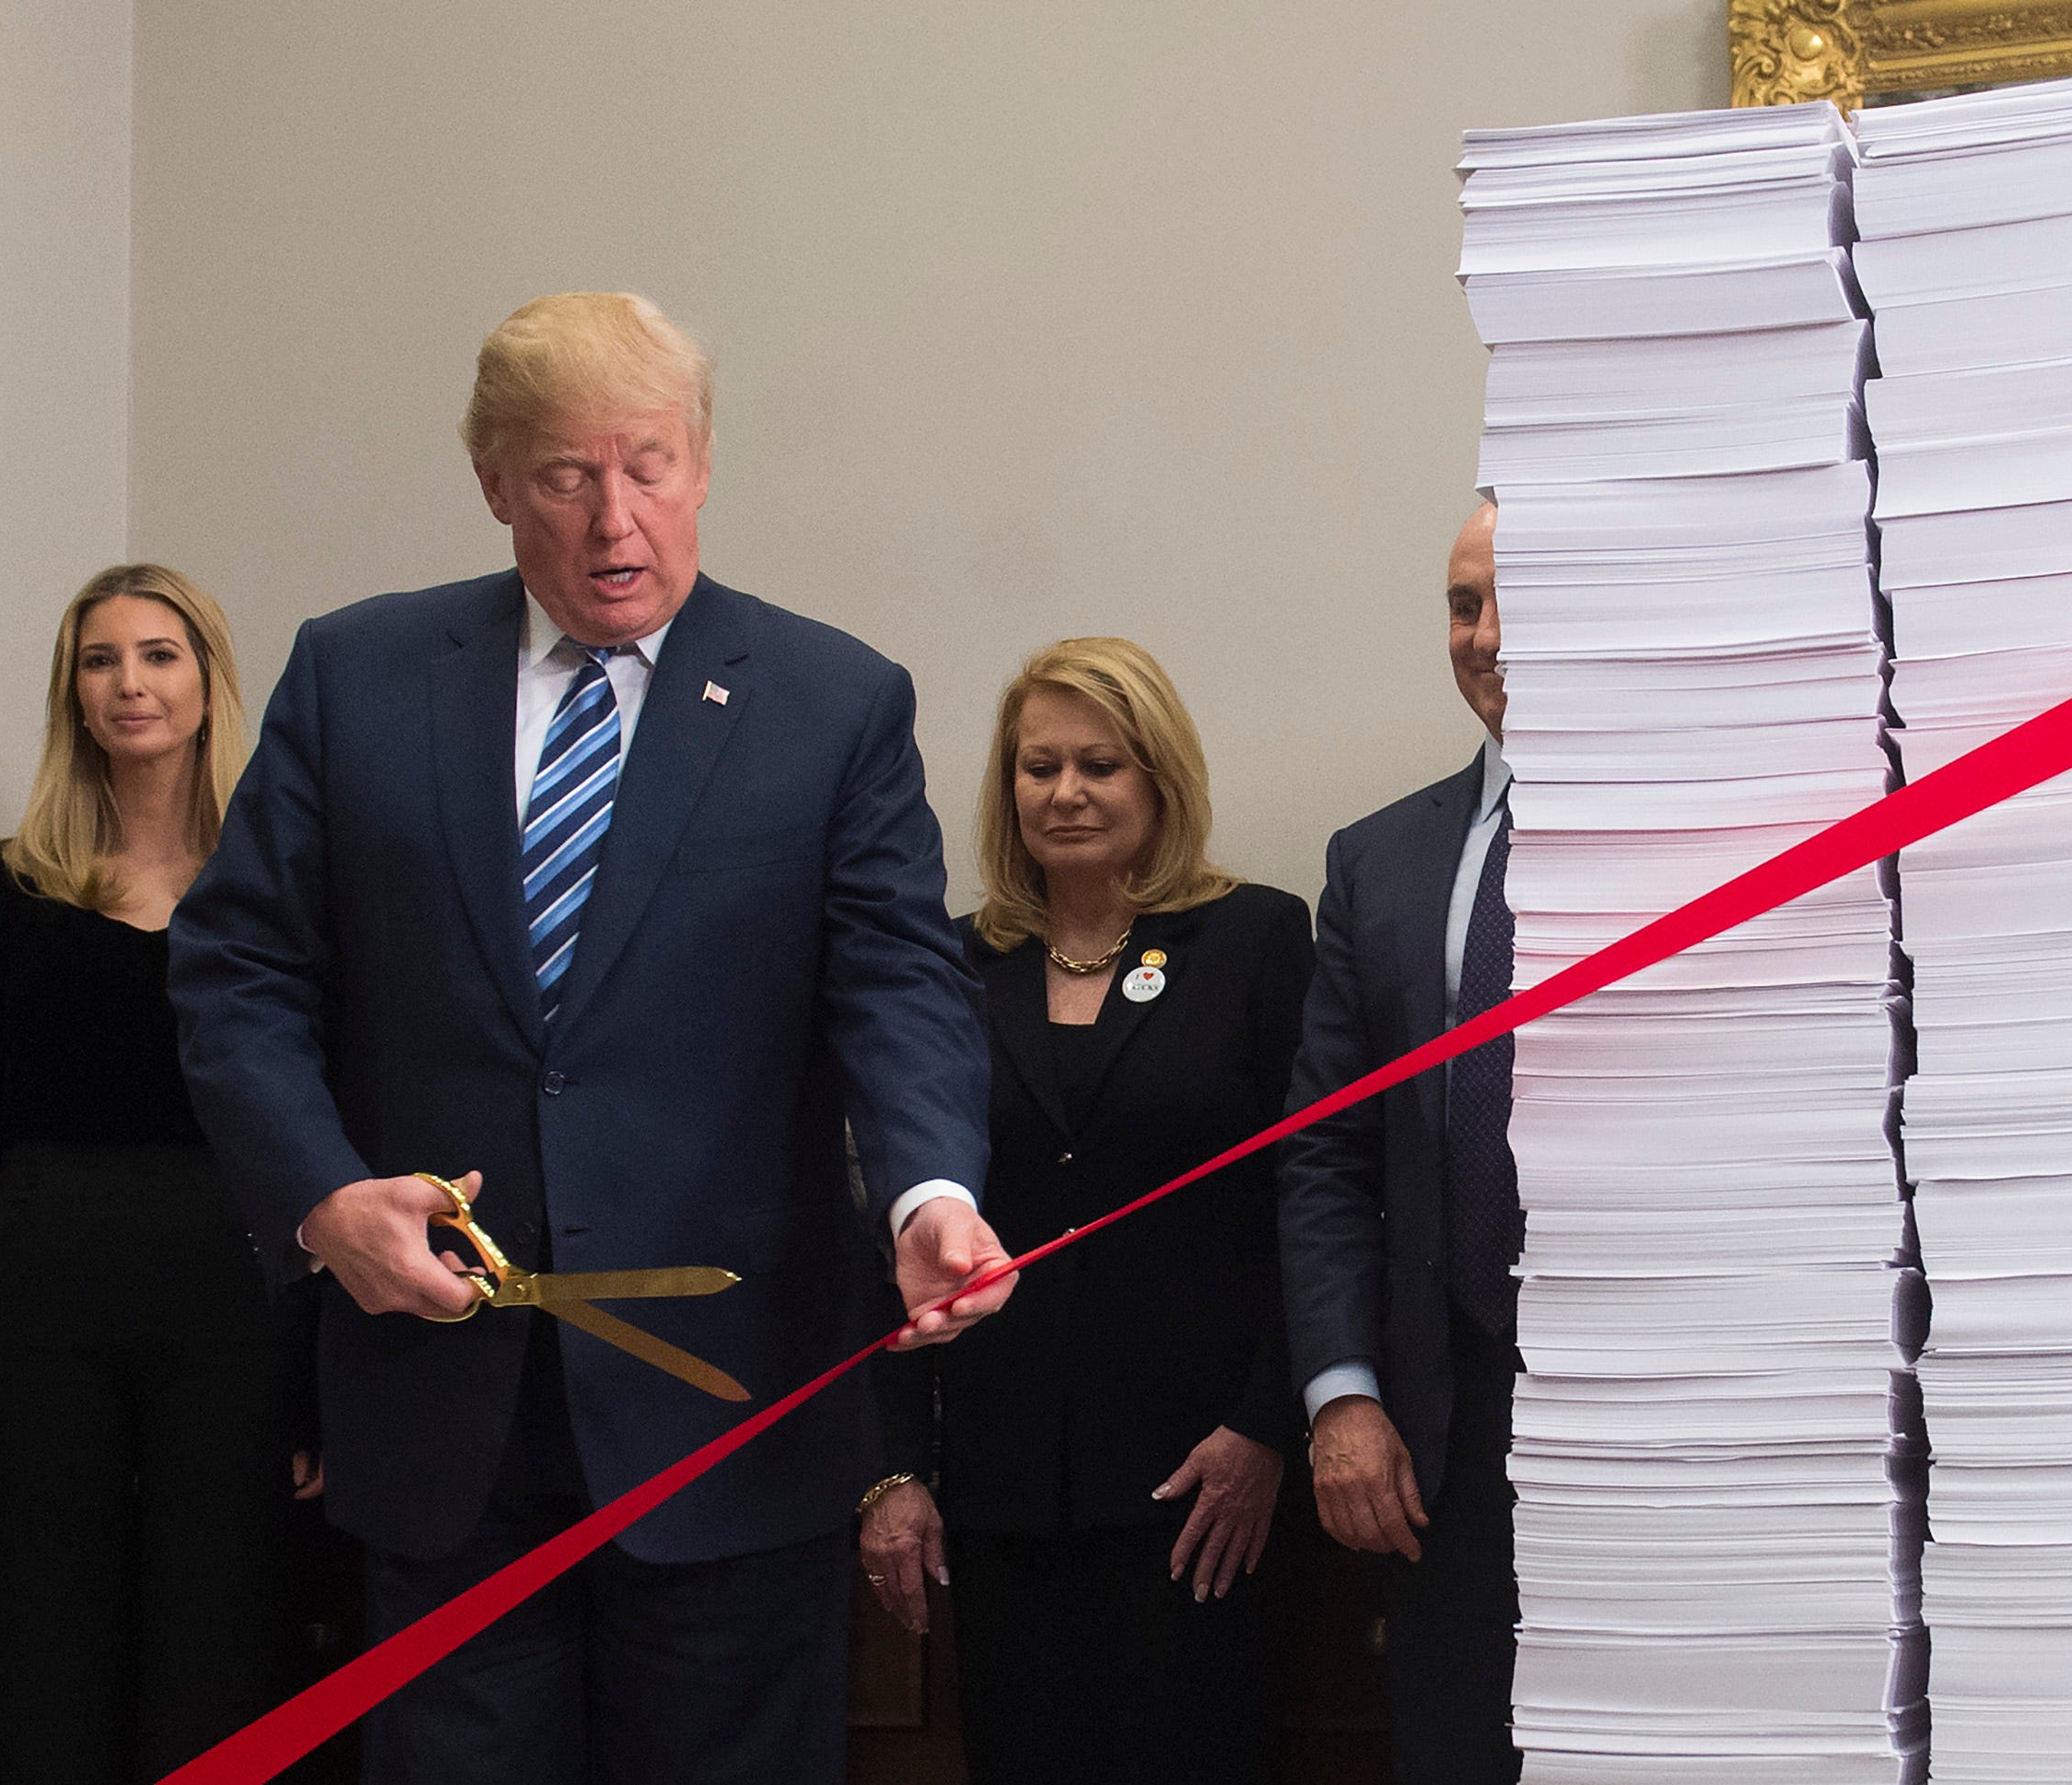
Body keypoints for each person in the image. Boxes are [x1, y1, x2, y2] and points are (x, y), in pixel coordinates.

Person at [168, 291, 1013, 1785]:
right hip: (442, 1413)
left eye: (651, 464)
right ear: (495, 480)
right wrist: (320, 1194)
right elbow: (238, 968)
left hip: (730, 1407)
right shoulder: (355, 676)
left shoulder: (831, 703)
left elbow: (901, 985)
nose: (615, 519)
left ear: (701, 465)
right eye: (566, 473)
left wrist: (929, 1190)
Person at [861, 637, 1312, 1785]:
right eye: (1038, 766)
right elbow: (898, 1230)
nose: (1065, 793)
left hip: (1203, 1485)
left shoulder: (1254, 940)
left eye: (1100, 764)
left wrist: (1267, 1425)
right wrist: (898, 1467)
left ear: (1159, 777)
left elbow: (1308, 1198)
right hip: (1003, 1492)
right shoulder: (955, 965)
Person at [0, 565, 310, 1782]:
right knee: (40, 1637)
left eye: (159, 653)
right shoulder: (8, 891)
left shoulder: (280, 902)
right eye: (100, 658)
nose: (130, 683)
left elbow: (325, 1135)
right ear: (72, 691)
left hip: (236, 1302)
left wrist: (319, 1384)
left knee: (222, 1638)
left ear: (208, 681)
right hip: (38, 1307)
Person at [1277, 499, 1522, 1783]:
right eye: (1458, 603)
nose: (1481, 637)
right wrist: (1342, 1393)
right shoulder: (1377, 860)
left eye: (1507, 599)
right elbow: (1325, 1158)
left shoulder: (1712, 837)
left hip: (1660, 1404)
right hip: (1443, 1412)